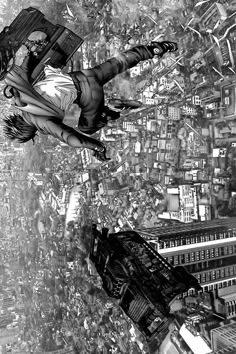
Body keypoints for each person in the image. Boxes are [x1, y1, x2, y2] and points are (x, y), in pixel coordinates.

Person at [3, 41, 178, 161]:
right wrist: (30, 52)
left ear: (27, 132)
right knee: (118, 63)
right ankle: (154, 50)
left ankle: (109, 110)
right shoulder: (22, 94)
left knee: (86, 127)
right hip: (84, 76)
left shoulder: (40, 121)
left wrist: (98, 147)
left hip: (89, 95)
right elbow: (25, 66)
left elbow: (72, 139)